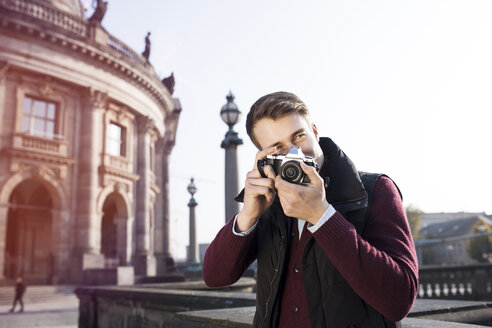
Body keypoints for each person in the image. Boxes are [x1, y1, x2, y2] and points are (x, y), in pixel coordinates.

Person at [203, 91, 419, 328]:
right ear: (263, 158)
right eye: (278, 148)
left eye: (299, 137)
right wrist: (248, 216)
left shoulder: (374, 190)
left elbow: (399, 299)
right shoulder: (266, 203)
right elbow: (215, 276)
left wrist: (323, 216)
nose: (295, 152)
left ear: (315, 132)